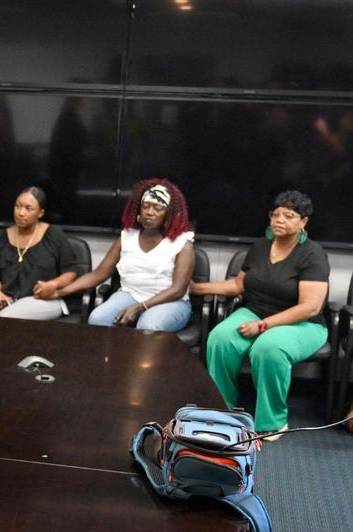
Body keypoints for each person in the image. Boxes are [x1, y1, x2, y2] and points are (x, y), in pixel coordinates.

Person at [196, 191, 329, 438]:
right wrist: (194, 287)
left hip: (303, 323)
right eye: (275, 214)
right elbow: (238, 287)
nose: (279, 219)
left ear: (303, 222)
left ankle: (272, 421)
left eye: (289, 216)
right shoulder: (259, 247)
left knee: (268, 348)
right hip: (255, 311)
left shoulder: (313, 254)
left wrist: (263, 325)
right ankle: (222, 409)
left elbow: (310, 306)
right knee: (220, 338)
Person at [50, 178, 194, 331]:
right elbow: (98, 275)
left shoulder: (182, 244)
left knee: (148, 326)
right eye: (145, 206)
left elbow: (177, 290)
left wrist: (140, 307)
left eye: (158, 208)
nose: (150, 212)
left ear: (169, 214)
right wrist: (60, 291)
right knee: (97, 318)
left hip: (170, 303)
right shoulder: (126, 238)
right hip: (131, 295)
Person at [0, 186, 79, 320]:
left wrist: (53, 285)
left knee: (7, 317)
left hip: (43, 299)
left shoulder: (54, 235)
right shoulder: (2, 237)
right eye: (18, 206)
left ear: (40, 213)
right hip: (8, 298)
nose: (21, 213)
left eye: (28, 208)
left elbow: (71, 272)